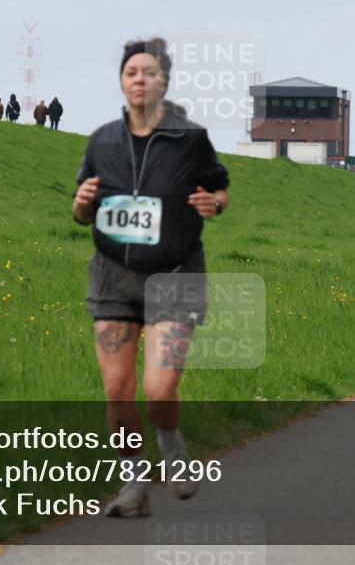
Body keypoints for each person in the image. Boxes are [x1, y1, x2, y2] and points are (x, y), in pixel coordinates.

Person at [73, 37, 229, 518]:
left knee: (159, 389)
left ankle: (173, 448)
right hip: (113, 279)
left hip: (176, 275)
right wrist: (80, 206)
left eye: (149, 72)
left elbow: (218, 188)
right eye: (131, 73)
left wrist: (214, 203)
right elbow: (84, 207)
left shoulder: (190, 137)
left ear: (165, 80)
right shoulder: (102, 140)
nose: (139, 80)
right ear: (122, 81)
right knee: (117, 389)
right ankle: (134, 485)